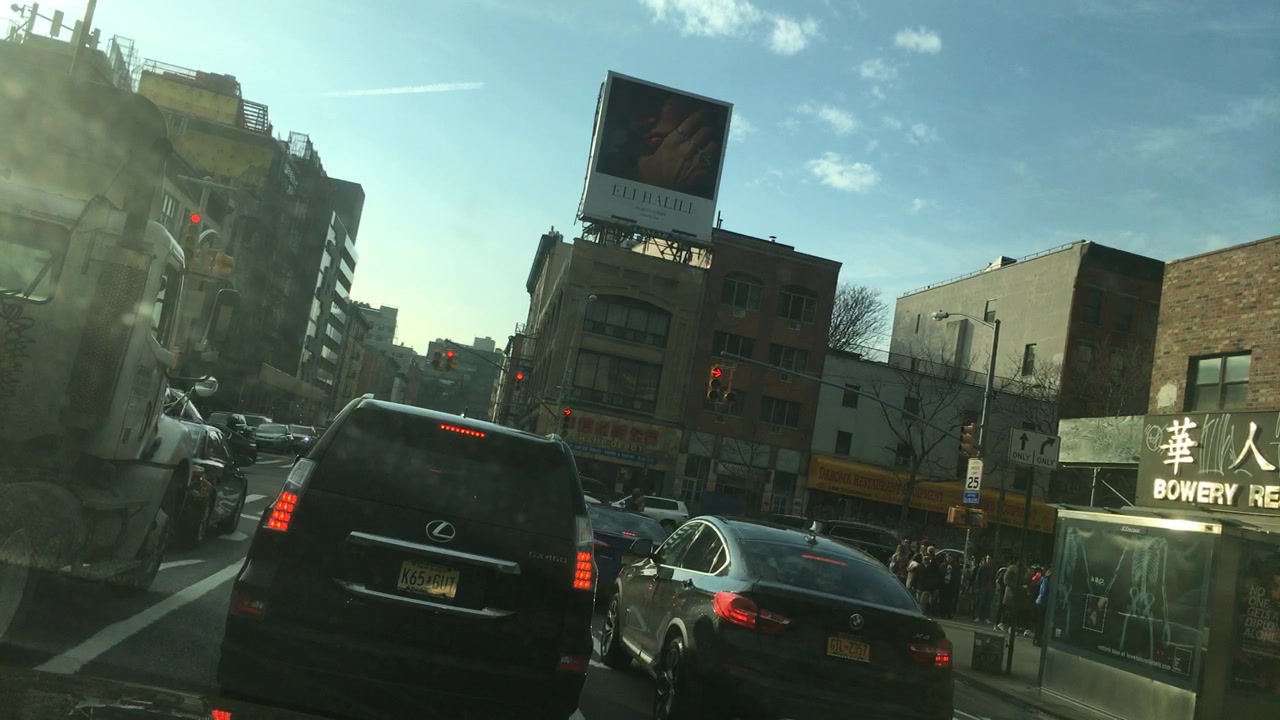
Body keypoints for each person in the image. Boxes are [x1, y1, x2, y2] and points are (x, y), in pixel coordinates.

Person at [1034, 565, 1052, 646]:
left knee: (1040, 622)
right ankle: (1038, 640)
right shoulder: (1046, 580)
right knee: (1041, 622)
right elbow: (1044, 591)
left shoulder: (1043, 579)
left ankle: (1037, 639)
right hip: (1042, 602)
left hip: (1040, 601)